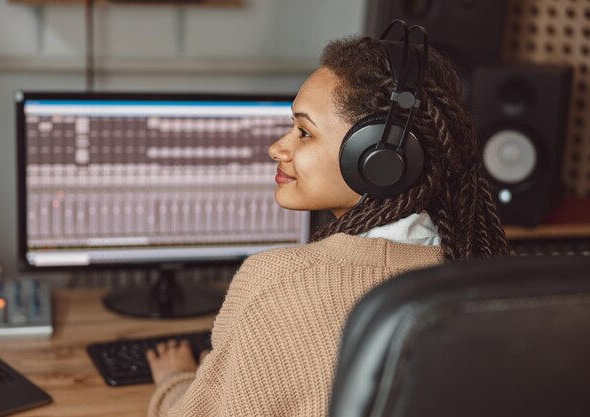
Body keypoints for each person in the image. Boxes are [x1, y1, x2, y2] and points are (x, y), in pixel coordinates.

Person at [146, 32, 509, 417]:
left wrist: (177, 381)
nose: (277, 148)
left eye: (304, 132)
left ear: (377, 158)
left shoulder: (277, 281)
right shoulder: (478, 267)